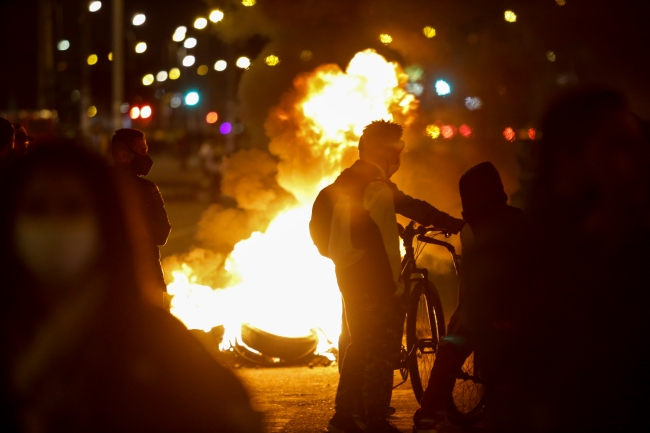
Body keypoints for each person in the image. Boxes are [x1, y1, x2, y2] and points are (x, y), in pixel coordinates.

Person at [0, 142, 262, 432]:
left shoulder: (155, 336)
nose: (54, 226)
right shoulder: (9, 333)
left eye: (73, 208)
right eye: (36, 209)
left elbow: (228, 414)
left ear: (106, 221)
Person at [487, 88, 650, 433]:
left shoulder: (635, 247)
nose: (637, 161)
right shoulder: (533, 262)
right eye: (616, 147)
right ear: (568, 160)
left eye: (638, 144)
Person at [310, 120, 464, 433]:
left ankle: (344, 415)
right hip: (374, 278)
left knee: (360, 343)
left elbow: (348, 226)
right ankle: (375, 420)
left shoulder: (343, 183)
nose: (399, 159)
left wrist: (347, 255)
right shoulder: (377, 188)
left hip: (348, 273)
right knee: (381, 348)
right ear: (387, 154)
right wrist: (455, 223)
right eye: (398, 152)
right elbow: (403, 221)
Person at [412, 162, 524, 433]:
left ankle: (430, 412)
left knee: (451, 346)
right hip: (521, 308)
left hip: (487, 310)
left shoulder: (473, 228)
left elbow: (473, 280)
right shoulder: (519, 217)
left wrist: (465, 313)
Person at [111, 128, 171, 299]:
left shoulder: (95, 186)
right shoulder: (147, 189)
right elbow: (161, 234)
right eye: (143, 151)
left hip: (107, 286)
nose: (147, 157)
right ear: (124, 155)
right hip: (146, 280)